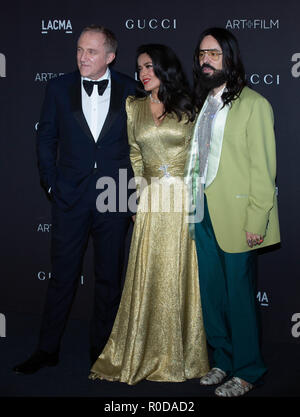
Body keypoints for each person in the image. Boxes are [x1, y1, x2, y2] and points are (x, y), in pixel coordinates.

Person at [13, 25, 137, 374]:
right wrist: (51, 185)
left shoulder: (132, 88)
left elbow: (141, 145)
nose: (83, 57)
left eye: (92, 51)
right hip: (70, 197)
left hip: (114, 196)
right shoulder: (58, 87)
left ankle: (102, 353)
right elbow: (45, 138)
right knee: (62, 276)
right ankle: (46, 349)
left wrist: (133, 193)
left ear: (110, 56)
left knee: (109, 278)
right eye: (80, 50)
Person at [89, 44, 209, 385]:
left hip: (185, 202)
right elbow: (134, 155)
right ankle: (140, 349)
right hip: (152, 202)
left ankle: (182, 355)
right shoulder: (134, 107)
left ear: (165, 68)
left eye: (149, 67)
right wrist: (138, 198)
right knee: (149, 274)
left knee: (181, 276)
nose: (143, 73)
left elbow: (202, 156)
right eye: (140, 67)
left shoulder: (190, 105)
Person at [185, 27, 280, 397]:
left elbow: (264, 168)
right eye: (201, 54)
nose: (205, 61)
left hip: (239, 217)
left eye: (213, 54)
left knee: (240, 298)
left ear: (229, 58)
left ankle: (248, 370)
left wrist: (257, 219)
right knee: (212, 294)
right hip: (203, 213)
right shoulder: (205, 104)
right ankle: (222, 359)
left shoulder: (255, 104)